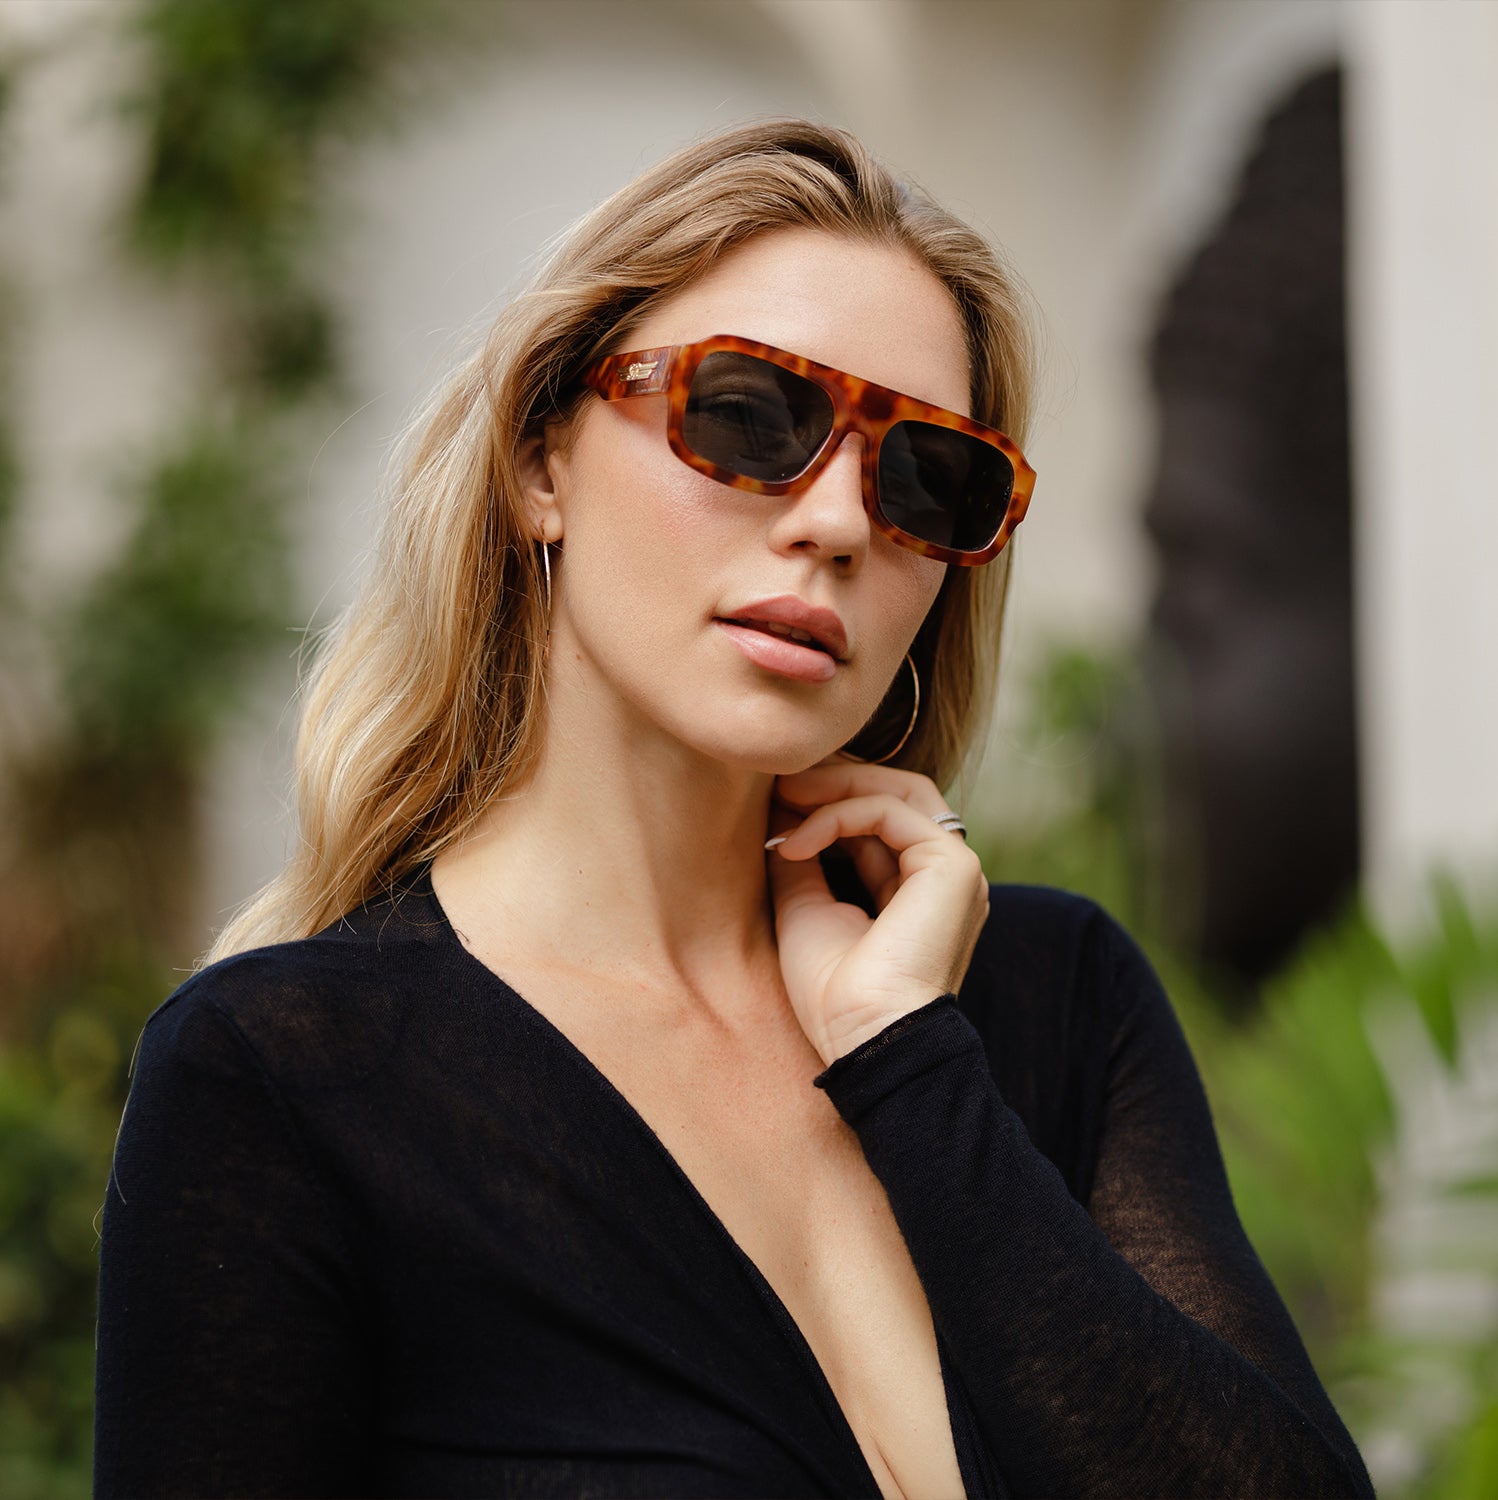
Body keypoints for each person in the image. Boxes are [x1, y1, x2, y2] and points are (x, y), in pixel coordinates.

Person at [93, 120, 1375, 1499]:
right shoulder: (289, 1077)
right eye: (749, 416)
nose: (838, 523)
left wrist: (911, 1064)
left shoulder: (1054, 998)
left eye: (925, 477)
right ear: (540, 463)